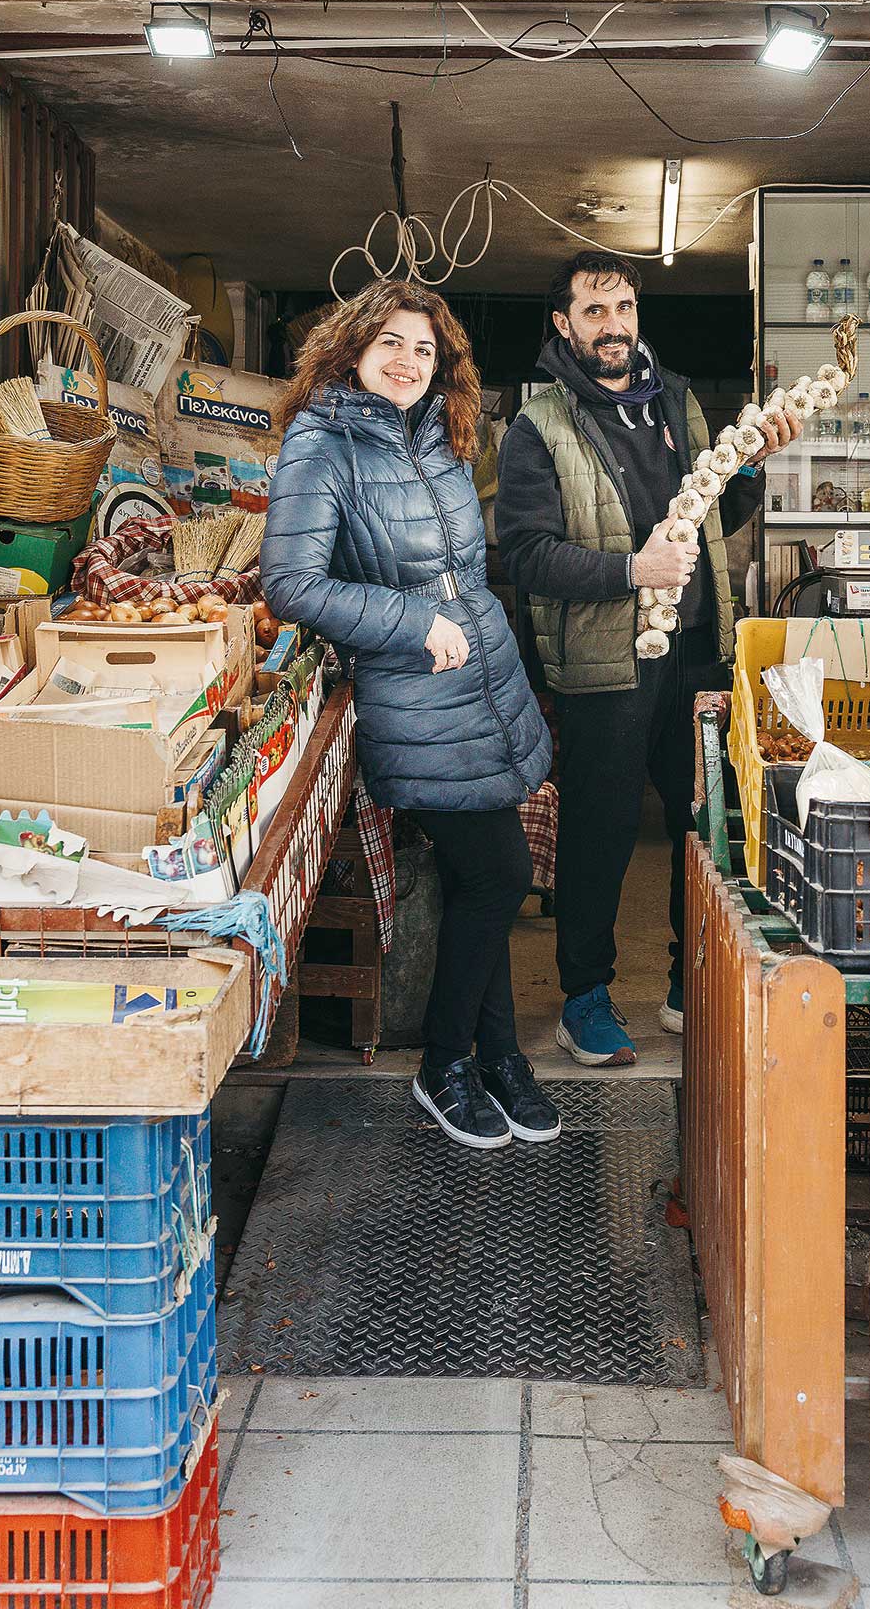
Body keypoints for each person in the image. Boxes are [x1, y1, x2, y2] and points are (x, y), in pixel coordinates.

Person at [262, 277, 555, 1150]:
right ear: (353, 350)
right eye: (390, 341)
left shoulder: (441, 439)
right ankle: (443, 1067)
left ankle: (497, 1057)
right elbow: (292, 586)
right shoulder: (322, 448)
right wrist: (413, 620)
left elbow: (464, 568)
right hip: (412, 696)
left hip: (482, 687)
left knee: (481, 884)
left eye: (424, 348)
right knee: (501, 874)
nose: (407, 360)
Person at [495, 251, 800, 1066]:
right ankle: (584, 1000)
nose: (614, 325)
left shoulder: (679, 402)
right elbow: (524, 555)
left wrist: (754, 465)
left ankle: (682, 983)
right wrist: (632, 570)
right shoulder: (539, 428)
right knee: (602, 831)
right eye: (594, 312)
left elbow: (715, 512)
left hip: (698, 651)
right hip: (604, 663)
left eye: (623, 307)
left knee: (705, 826)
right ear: (563, 325)